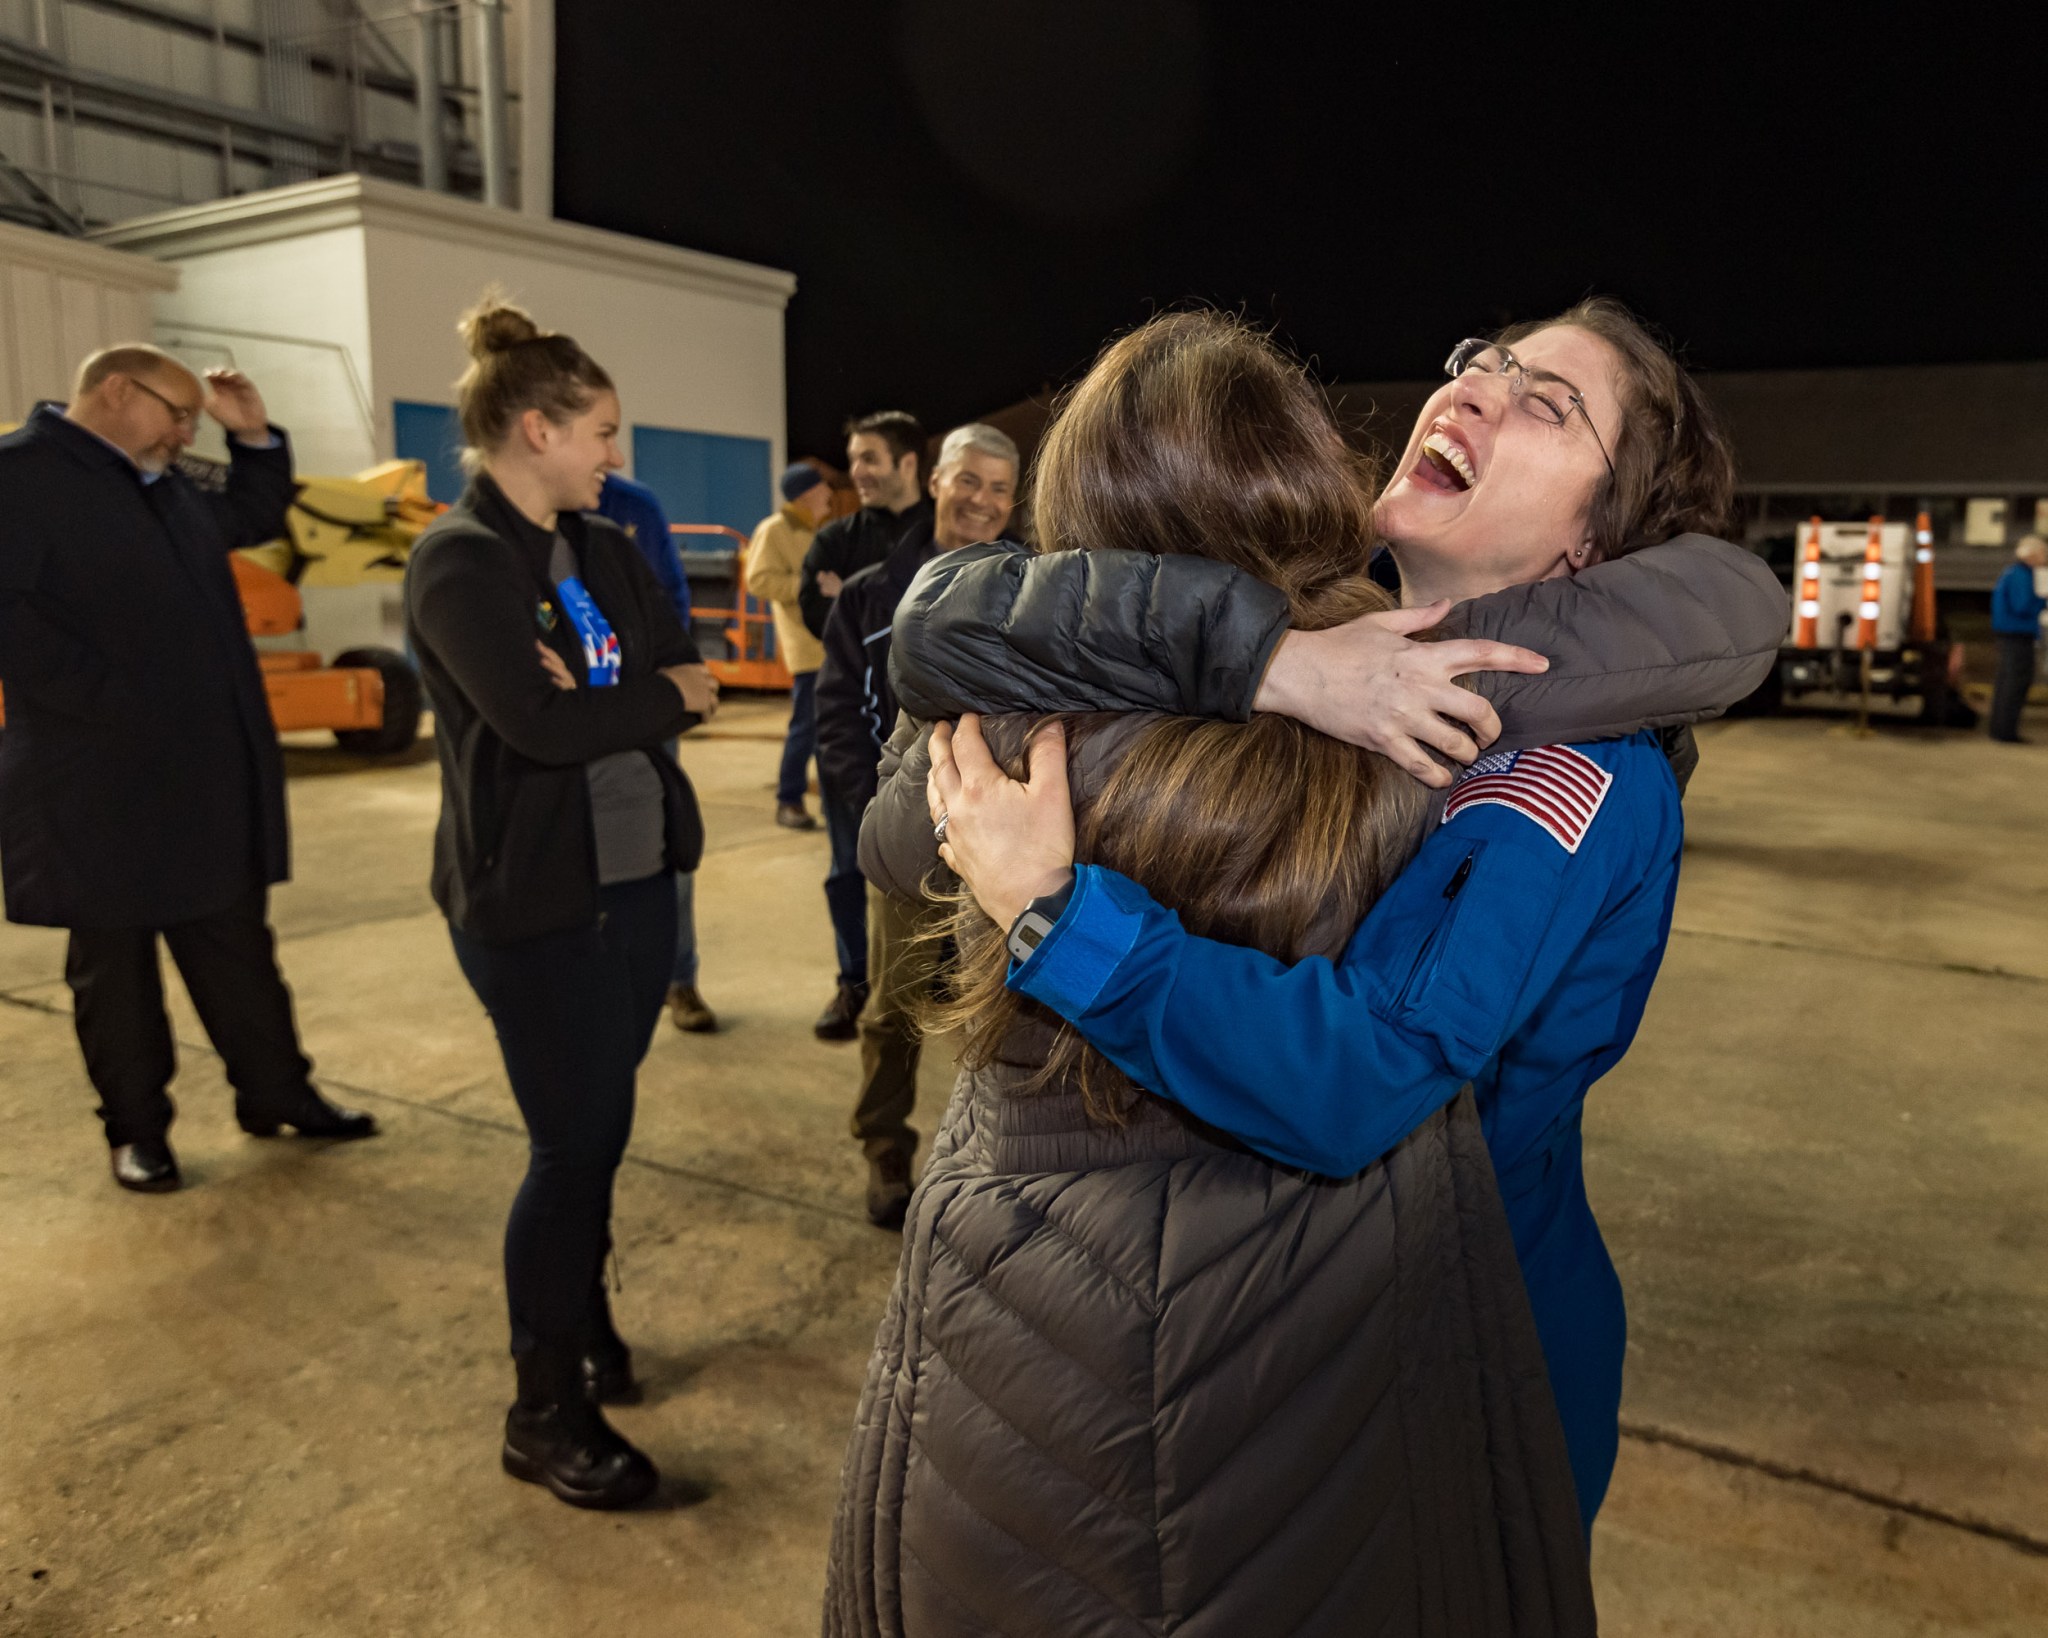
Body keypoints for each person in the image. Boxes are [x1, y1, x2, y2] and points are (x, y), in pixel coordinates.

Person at [892, 299, 1788, 1537]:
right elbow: (979, 619)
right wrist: (1273, 664)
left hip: (1466, 1338)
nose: (1470, 390)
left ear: (1591, 544)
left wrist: (1057, 914)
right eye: (1483, 361)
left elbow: (1361, 1072)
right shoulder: (1312, 624)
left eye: (1546, 405)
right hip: (1284, 1318)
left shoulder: (1571, 774)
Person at [825, 314, 1597, 1637]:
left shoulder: (1006, 715)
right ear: (1304, 467)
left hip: (1027, 1319)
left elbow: (892, 822)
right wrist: (1276, 655)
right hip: (1336, 1321)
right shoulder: (1434, 691)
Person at [404, 294, 718, 1510]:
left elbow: (648, 663)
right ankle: (543, 1410)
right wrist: (646, 694)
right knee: (568, 1145)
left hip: (634, 885)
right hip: (536, 903)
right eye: (601, 432)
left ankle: (580, 1318)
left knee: (598, 1128)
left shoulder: (598, 550)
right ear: (534, 430)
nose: (615, 456)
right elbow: (544, 726)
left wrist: (624, 691)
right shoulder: (459, 562)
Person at [0, 346, 376, 1195]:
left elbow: (251, 513)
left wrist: (253, 439)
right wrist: (118, 700)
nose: (183, 432)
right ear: (115, 391)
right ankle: (137, 1133)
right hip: (94, 777)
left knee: (237, 947)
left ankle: (277, 1096)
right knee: (117, 969)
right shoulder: (20, 476)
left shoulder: (158, 478)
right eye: (177, 413)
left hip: (201, 770)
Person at [816, 423, 1019, 1227]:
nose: (984, 501)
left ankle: (995, 1151)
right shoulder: (871, 594)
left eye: (1001, 489)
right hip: (907, 834)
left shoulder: (1030, 587)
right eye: (970, 480)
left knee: (1008, 1002)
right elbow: (835, 712)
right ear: (934, 479)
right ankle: (884, 1144)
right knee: (896, 1001)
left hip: (1000, 836)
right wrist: (868, 809)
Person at [804, 412, 934, 1042]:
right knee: (847, 866)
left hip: (922, 755)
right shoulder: (836, 540)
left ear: (909, 464)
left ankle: (926, 983)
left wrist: (847, 600)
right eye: (853, 459)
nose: (857, 472)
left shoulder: (943, 531)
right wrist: (842, 604)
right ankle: (851, 980)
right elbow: (816, 611)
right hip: (858, 740)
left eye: (869, 459)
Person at [595, 471, 717, 1033]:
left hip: (642, 711)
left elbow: (672, 600)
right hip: (570, 714)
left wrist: (660, 688)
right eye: (599, 434)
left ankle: (678, 977)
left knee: (664, 837)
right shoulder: (525, 521)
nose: (611, 453)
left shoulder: (634, 507)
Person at [744, 462, 835, 829]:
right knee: (807, 728)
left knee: (831, 729)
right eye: (823, 486)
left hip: (828, 644)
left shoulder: (814, 531)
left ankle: (833, 804)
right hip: (805, 645)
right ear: (806, 493)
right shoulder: (775, 530)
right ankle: (789, 800)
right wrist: (809, 586)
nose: (830, 492)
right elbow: (759, 580)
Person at [1987, 534, 2046, 743]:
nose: (2045, 557)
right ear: (2031, 555)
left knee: (2006, 682)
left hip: (2010, 633)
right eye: (2042, 553)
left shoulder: (2013, 572)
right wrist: (2042, 601)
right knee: (2015, 683)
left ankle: (1999, 729)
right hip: (2017, 633)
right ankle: (2006, 731)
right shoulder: (2022, 575)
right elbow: (2022, 606)